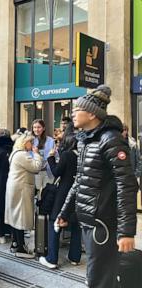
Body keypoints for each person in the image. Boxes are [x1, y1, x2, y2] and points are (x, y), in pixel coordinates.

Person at [56, 85, 138, 288]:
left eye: (77, 109)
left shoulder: (111, 140)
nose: (72, 114)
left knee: (98, 279)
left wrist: (126, 232)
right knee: (102, 276)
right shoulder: (85, 140)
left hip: (103, 225)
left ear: (92, 114)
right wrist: (65, 212)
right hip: (89, 222)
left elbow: (126, 185)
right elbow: (80, 180)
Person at [39, 133, 82, 269]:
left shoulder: (67, 155)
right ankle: (75, 257)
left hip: (64, 193)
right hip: (79, 193)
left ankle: (52, 259)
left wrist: (51, 158)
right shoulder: (82, 155)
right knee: (76, 223)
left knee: (54, 221)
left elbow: (57, 172)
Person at [5, 132, 42, 258]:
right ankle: (21, 248)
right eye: (30, 142)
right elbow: (36, 167)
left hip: (15, 187)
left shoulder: (15, 152)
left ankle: (15, 244)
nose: (32, 144)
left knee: (15, 216)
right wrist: (37, 154)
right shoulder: (22, 155)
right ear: (24, 143)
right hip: (21, 188)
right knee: (20, 217)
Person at [32, 119, 55, 189]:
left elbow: (54, 155)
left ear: (44, 128)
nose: (36, 129)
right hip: (35, 172)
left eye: (39, 127)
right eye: (34, 127)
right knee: (36, 194)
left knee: (47, 193)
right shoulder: (31, 140)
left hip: (48, 171)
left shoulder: (50, 140)